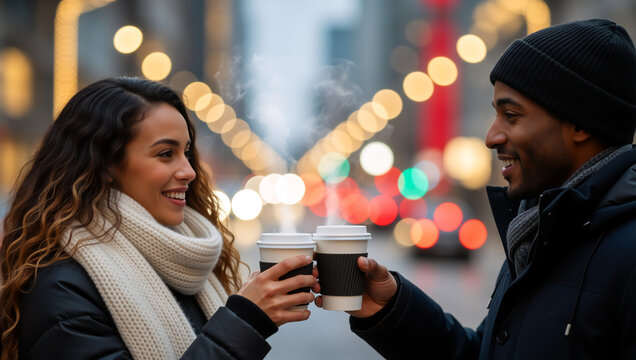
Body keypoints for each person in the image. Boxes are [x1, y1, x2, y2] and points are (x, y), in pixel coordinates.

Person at [314, 18, 636, 359]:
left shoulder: (624, 254)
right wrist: (390, 309)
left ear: (581, 122)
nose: (492, 136)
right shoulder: (536, 236)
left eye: (511, 115)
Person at [0, 77, 317, 360]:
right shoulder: (63, 286)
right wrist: (245, 320)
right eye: (166, 154)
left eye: (187, 153)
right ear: (106, 165)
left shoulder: (185, 265)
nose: (189, 171)